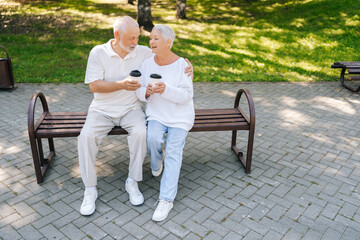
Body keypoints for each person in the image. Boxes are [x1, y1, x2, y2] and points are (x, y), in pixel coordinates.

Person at [78, 16, 192, 216]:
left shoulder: (142, 53)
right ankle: (90, 189)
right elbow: (94, 86)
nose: (136, 42)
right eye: (131, 38)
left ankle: (132, 181)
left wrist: (187, 64)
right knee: (85, 137)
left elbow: (166, 54)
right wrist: (121, 85)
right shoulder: (98, 52)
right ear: (116, 35)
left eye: (138, 37)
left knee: (141, 133)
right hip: (101, 109)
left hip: (131, 109)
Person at [136, 24, 195, 221]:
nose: (151, 41)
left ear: (168, 42)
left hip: (180, 116)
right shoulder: (147, 64)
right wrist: (146, 92)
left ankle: (166, 200)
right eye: (150, 38)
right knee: (152, 139)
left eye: (156, 38)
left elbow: (187, 96)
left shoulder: (182, 65)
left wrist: (165, 89)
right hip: (157, 114)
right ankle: (155, 160)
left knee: (173, 152)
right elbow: (139, 89)